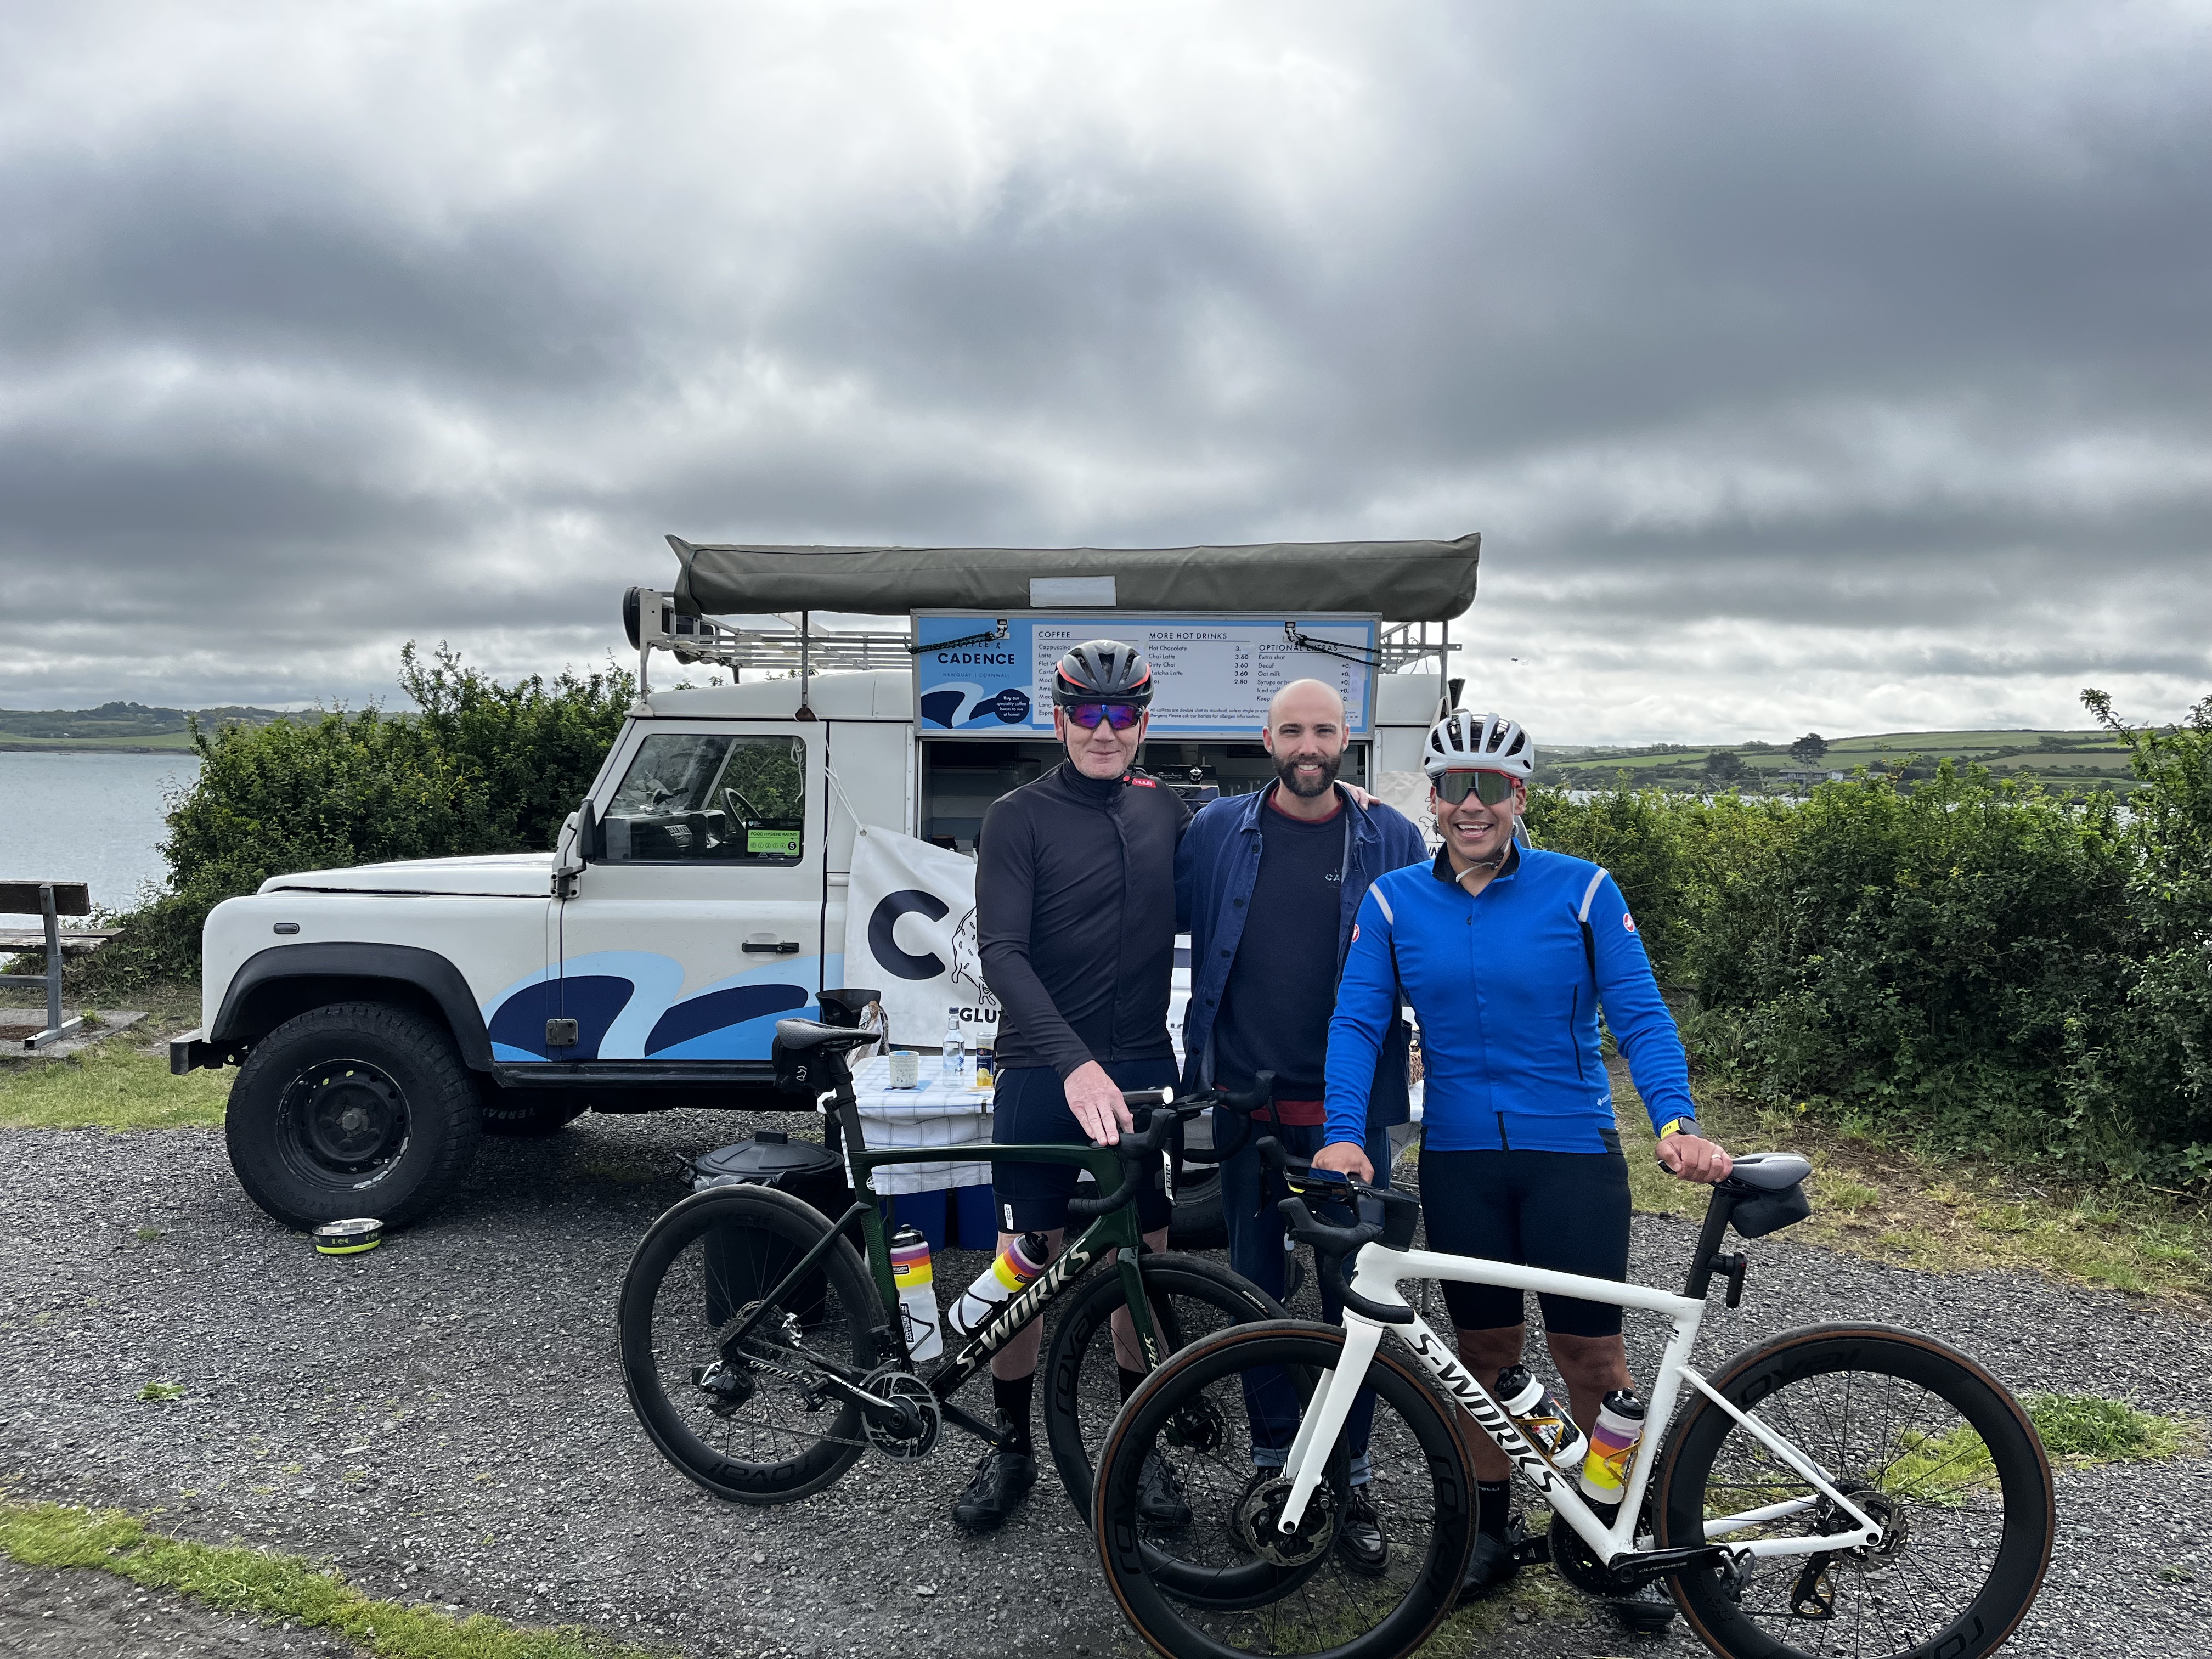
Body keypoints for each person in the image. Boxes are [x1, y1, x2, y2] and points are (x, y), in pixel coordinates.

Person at [1316, 709, 1733, 1617]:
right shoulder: (1393, 901)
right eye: (1454, 787)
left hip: (1571, 1154)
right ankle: (1491, 1530)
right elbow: (1357, 1022)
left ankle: (1613, 1533)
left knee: (1592, 1355)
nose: (1472, 805)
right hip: (1461, 1157)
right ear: (1431, 799)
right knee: (1483, 1355)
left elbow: (1641, 1013)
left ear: (1520, 797)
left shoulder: (1582, 889)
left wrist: (1675, 1122)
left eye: (1492, 787)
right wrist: (1344, 1131)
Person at [1176, 678, 1427, 1575]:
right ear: (1267, 739)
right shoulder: (1215, 830)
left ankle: (1351, 1478)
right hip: (1246, 1106)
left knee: (1352, 1300)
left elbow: (1428, 948)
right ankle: (1275, 1466)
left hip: (1349, 1114)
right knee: (1253, 1294)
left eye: (1324, 730)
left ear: (1346, 737)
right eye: (1293, 730)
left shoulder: (1392, 837)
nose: (1309, 745)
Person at [962, 639, 1190, 1530]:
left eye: (1121, 712)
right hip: (1039, 1067)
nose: (1104, 729)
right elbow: (1001, 953)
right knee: (1027, 1263)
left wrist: (1342, 802)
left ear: (1144, 722)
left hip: (1140, 1067)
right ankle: (1009, 1444)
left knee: (1144, 1260)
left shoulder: (1163, 807)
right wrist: (1071, 1061)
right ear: (1058, 720)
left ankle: (1143, 1447)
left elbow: (1252, 848)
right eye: (1086, 713)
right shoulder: (1016, 816)